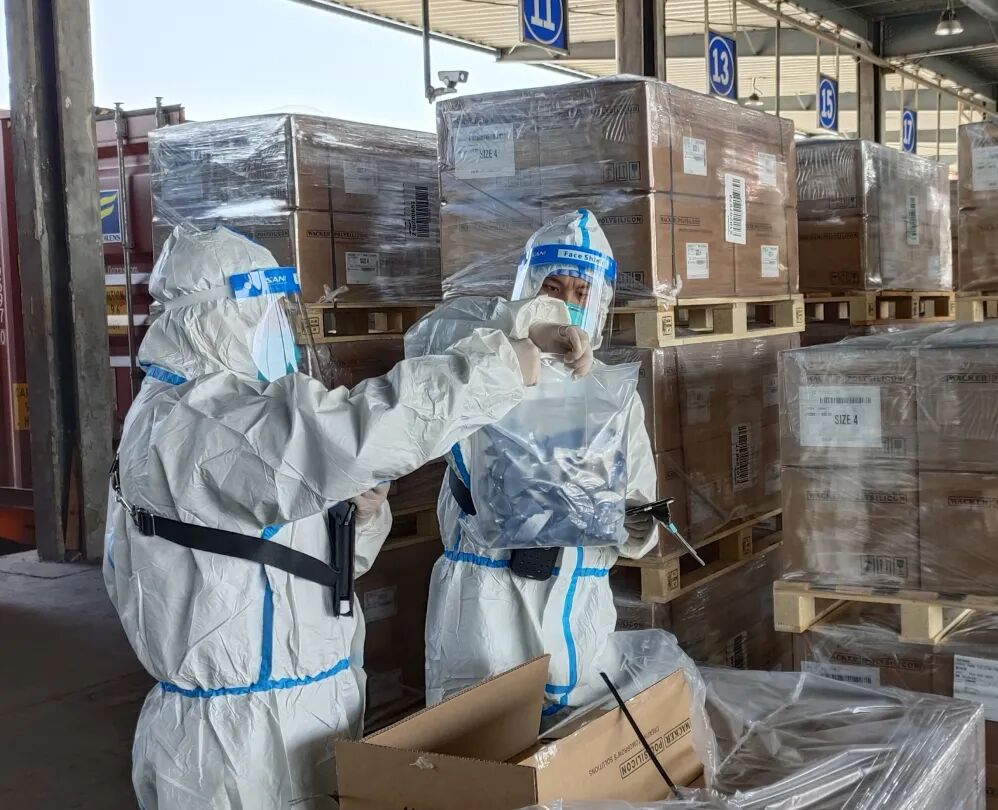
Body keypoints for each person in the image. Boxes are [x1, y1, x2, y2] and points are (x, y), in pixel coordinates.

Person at [102, 226, 589, 809]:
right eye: (268, 312)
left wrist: (362, 518)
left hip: (300, 712)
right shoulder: (197, 422)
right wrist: (504, 361)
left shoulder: (228, 411)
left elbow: (295, 564)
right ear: (219, 316)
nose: (280, 329)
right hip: (236, 747)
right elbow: (359, 434)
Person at [405, 209, 659, 715]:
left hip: (580, 605)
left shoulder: (612, 394)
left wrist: (635, 521)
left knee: (577, 754)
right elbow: (425, 338)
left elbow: (639, 501)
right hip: (486, 602)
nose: (567, 305)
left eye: (582, 293)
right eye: (552, 288)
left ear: (602, 302)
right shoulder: (484, 364)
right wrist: (526, 329)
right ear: (528, 289)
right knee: (484, 745)